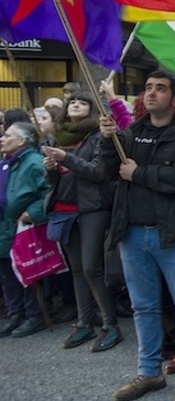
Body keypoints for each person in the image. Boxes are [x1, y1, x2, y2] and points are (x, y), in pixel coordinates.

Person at [99, 71, 175, 401]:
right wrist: (108, 141)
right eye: (148, 88)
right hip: (133, 235)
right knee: (143, 307)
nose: (151, 93)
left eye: (160, 89)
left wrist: (141, 174)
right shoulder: (131, 133)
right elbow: (110, 172)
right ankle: (149, 372)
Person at [42, 92, 122, 352]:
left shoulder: (98, 136)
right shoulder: (59, 137)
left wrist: (66, 159)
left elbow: (98, 172)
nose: (76, 104)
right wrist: (51, 169)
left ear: (92, 110)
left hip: (91, 209)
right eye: (72, 102)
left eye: (83, 102)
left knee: (91, 268)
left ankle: (111, 325)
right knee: (76, 269)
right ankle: (84, 322)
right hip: (64, 210)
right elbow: (54, 182)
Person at [0, 122, 49, 338]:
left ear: (22, 140)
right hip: (4, 226)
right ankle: (15, 313)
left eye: (7, 135)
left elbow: (49, 191)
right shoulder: (6, 162)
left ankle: (33, 315)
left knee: (26, 271)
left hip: (23, 226)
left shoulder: (35, 162)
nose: (2, 138)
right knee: (7, 273)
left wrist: (33, 212)